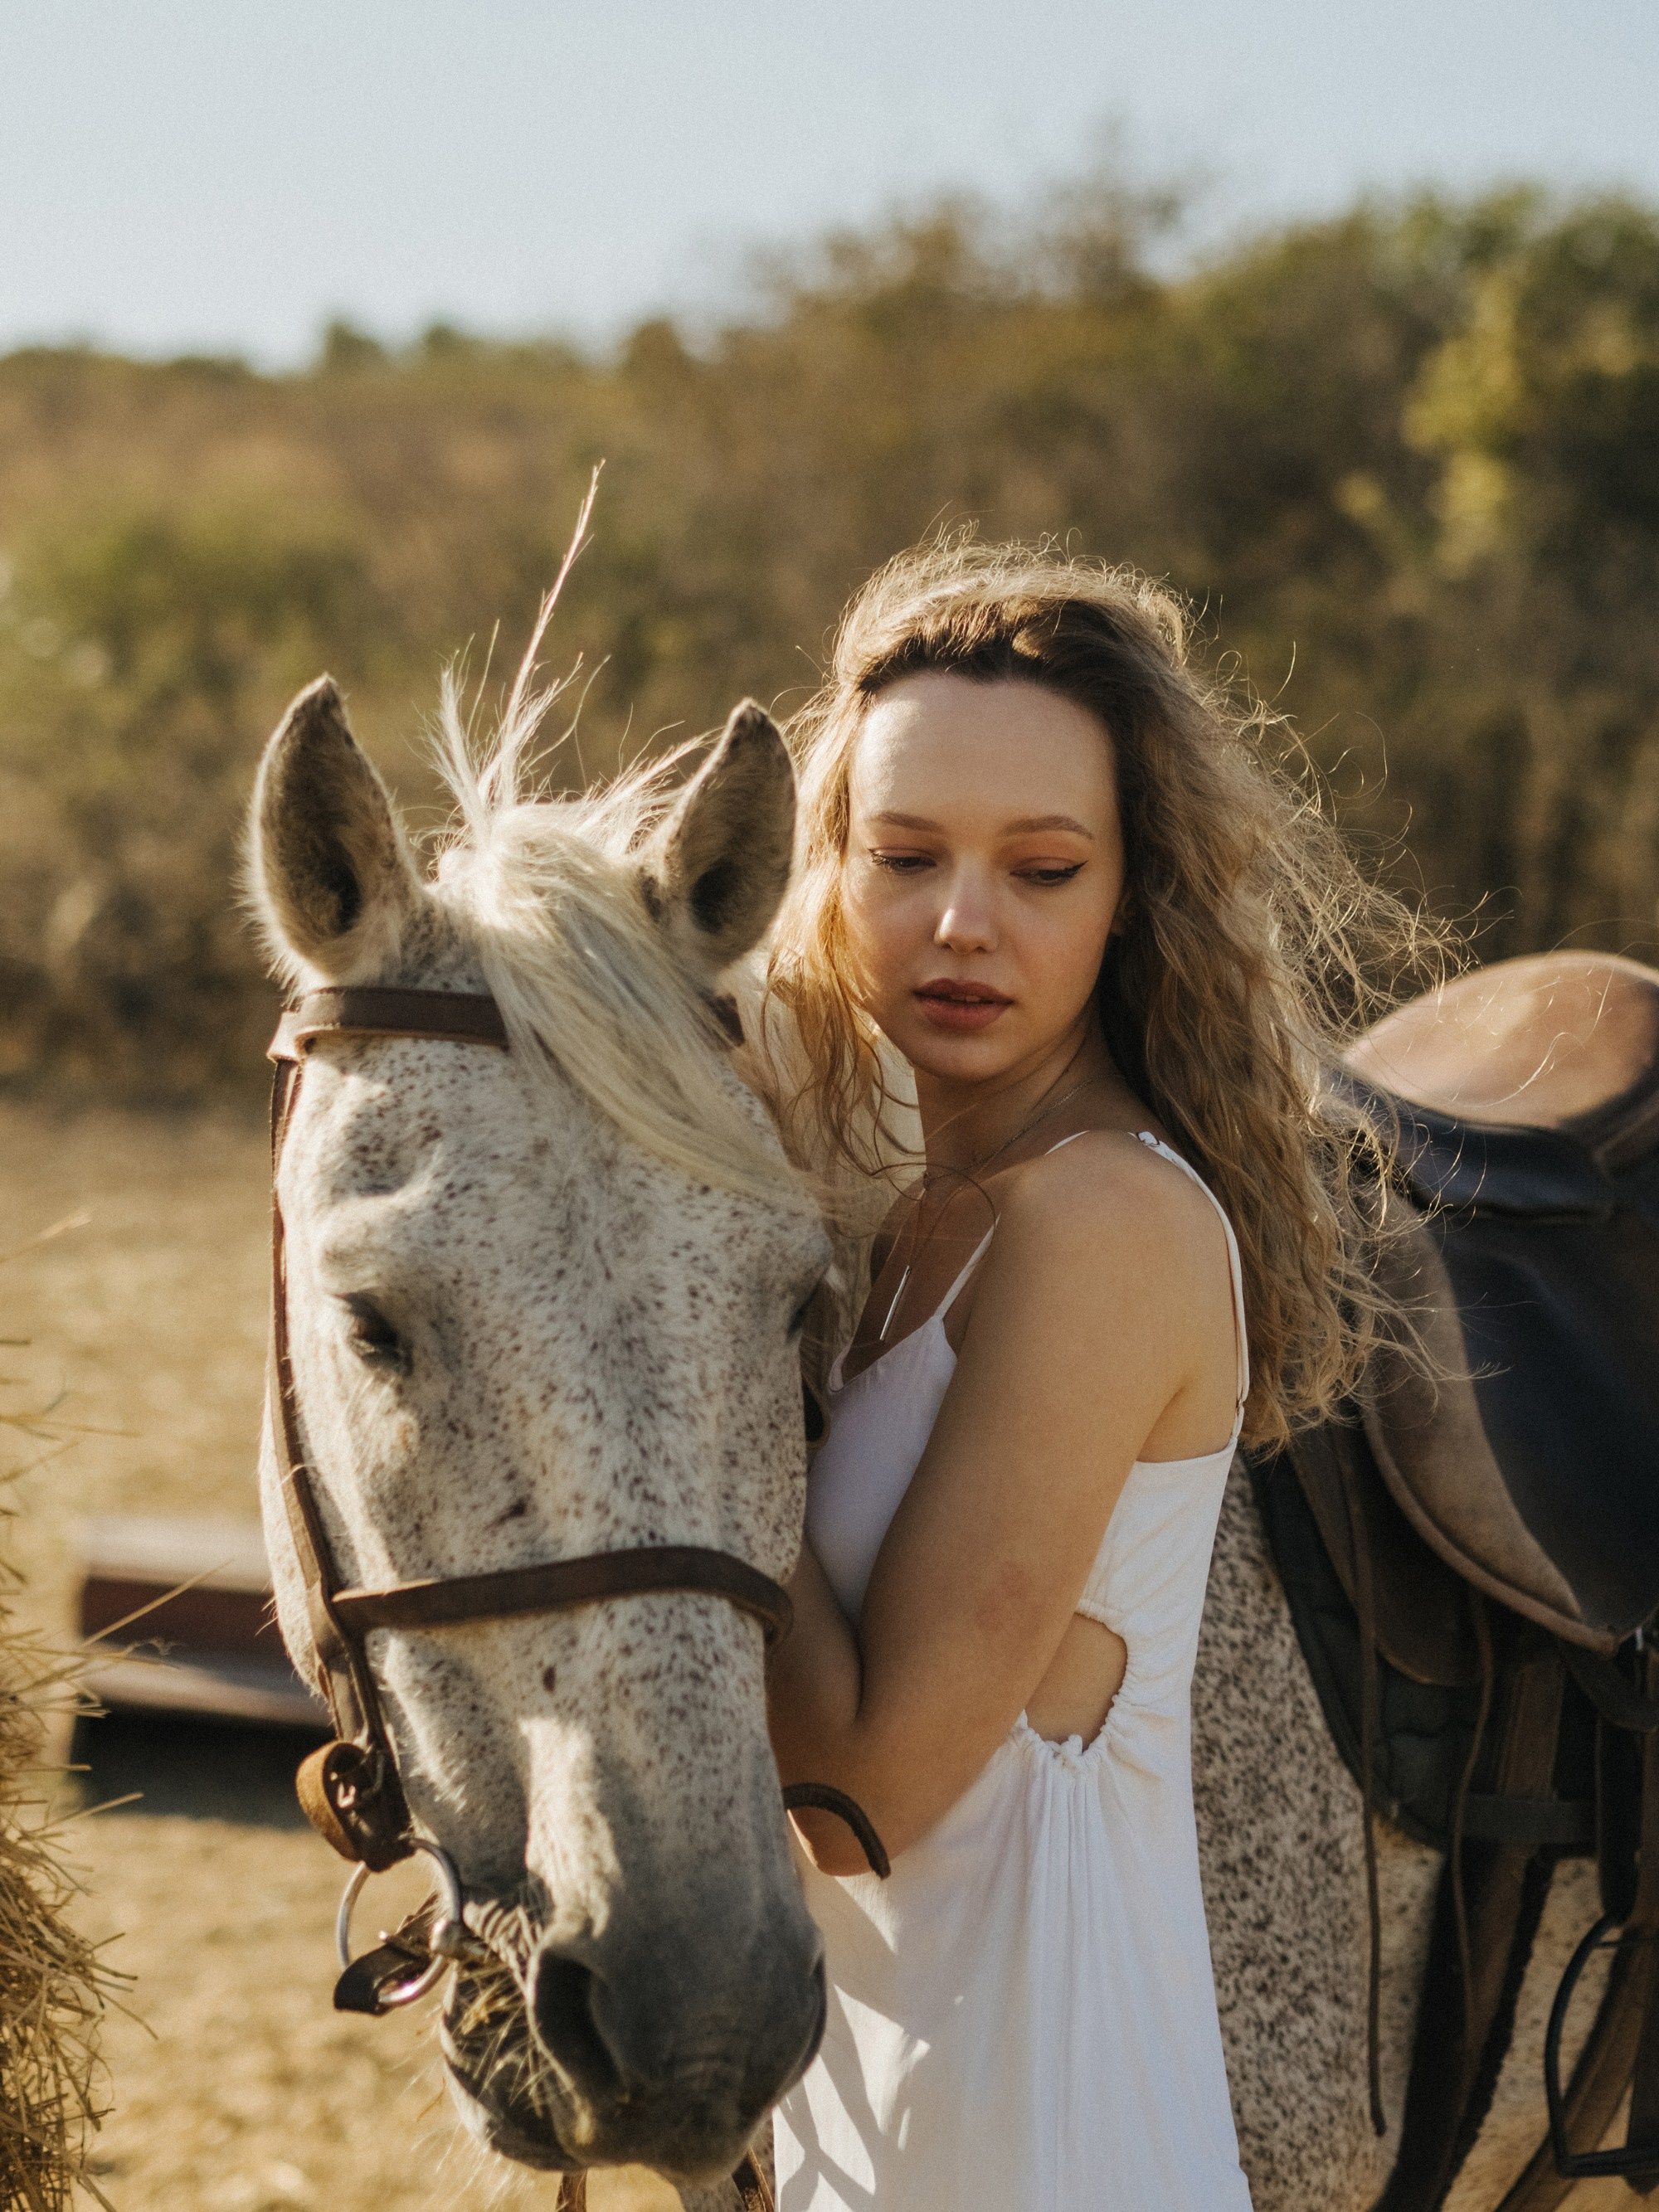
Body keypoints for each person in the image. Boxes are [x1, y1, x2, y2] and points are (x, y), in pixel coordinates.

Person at [758, 539, 1429, 2209]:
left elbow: (854, 1794)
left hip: (1044, 2144)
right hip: (880, 2124)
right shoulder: (917, 1219)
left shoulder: (1104, 1221)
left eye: (1042, 867)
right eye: (903, 854)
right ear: (828, 871)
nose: (961, 920)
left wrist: (659, 1424)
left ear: (1134, 889)